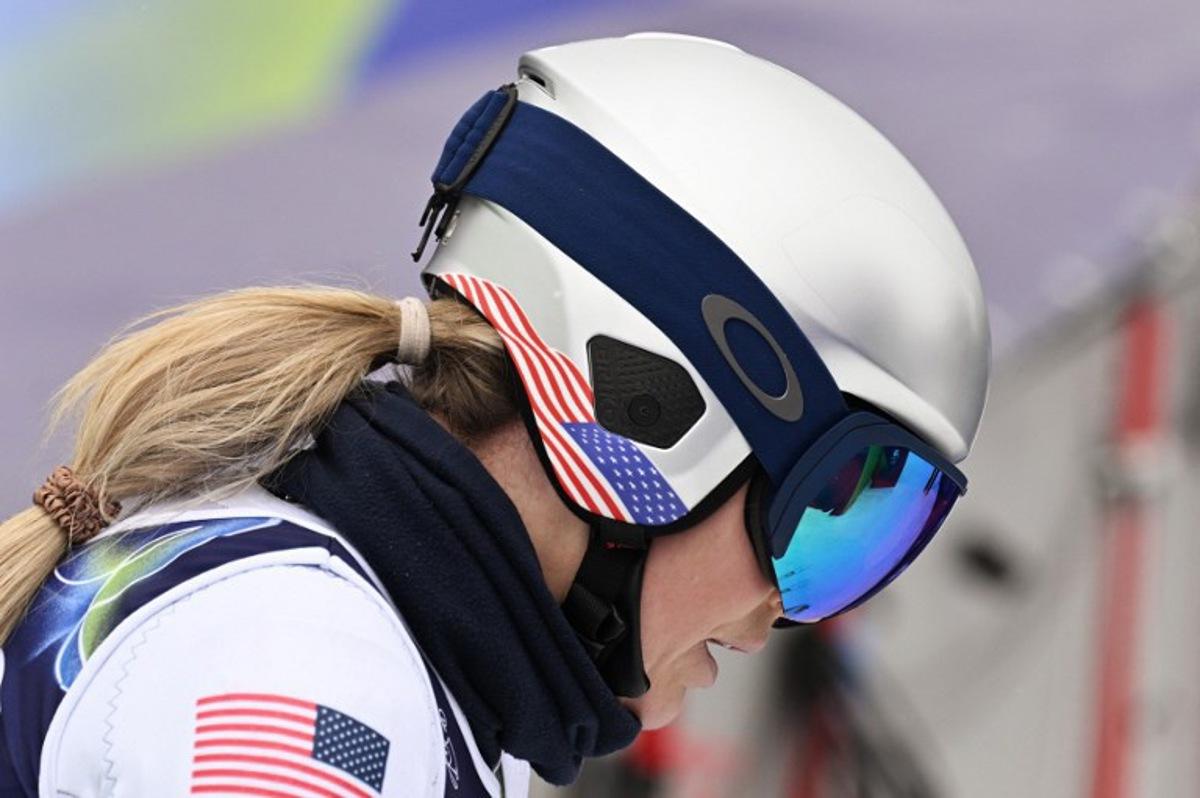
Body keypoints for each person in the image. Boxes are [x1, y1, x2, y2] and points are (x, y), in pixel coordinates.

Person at [0, 32, 989, 797]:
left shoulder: (374, 642)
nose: (783, 613)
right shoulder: (304, 676)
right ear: (653, 413)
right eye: (828, 517)